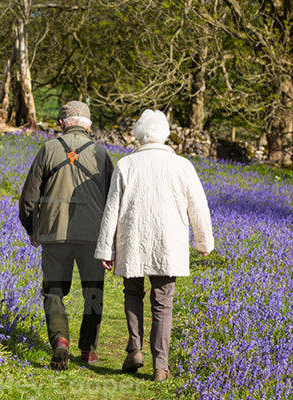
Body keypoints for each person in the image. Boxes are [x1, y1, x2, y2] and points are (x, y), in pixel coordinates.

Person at [94, 109, 214, 381]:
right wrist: (203, 241)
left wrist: (106, 247)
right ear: (165, 134)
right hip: (167, 243)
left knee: (133, 293)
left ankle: (135, 349)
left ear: (138, 135)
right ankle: (161, 366)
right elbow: (198, 206)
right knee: (163, 303)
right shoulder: (182, 165)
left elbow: (111, 209)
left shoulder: (126, 165)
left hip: (132, 239)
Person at [19, 101, 114, 371]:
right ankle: (88, 350)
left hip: (53, 233)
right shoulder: (100, 153)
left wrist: (32, 228)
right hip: (92, 235)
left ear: (62, 124)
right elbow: (112, 200)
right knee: (93, 291)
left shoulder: (48, 149)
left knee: (54, 290)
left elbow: (28, 198)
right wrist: (112, 238)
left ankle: (60, 339)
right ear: (88, 125)